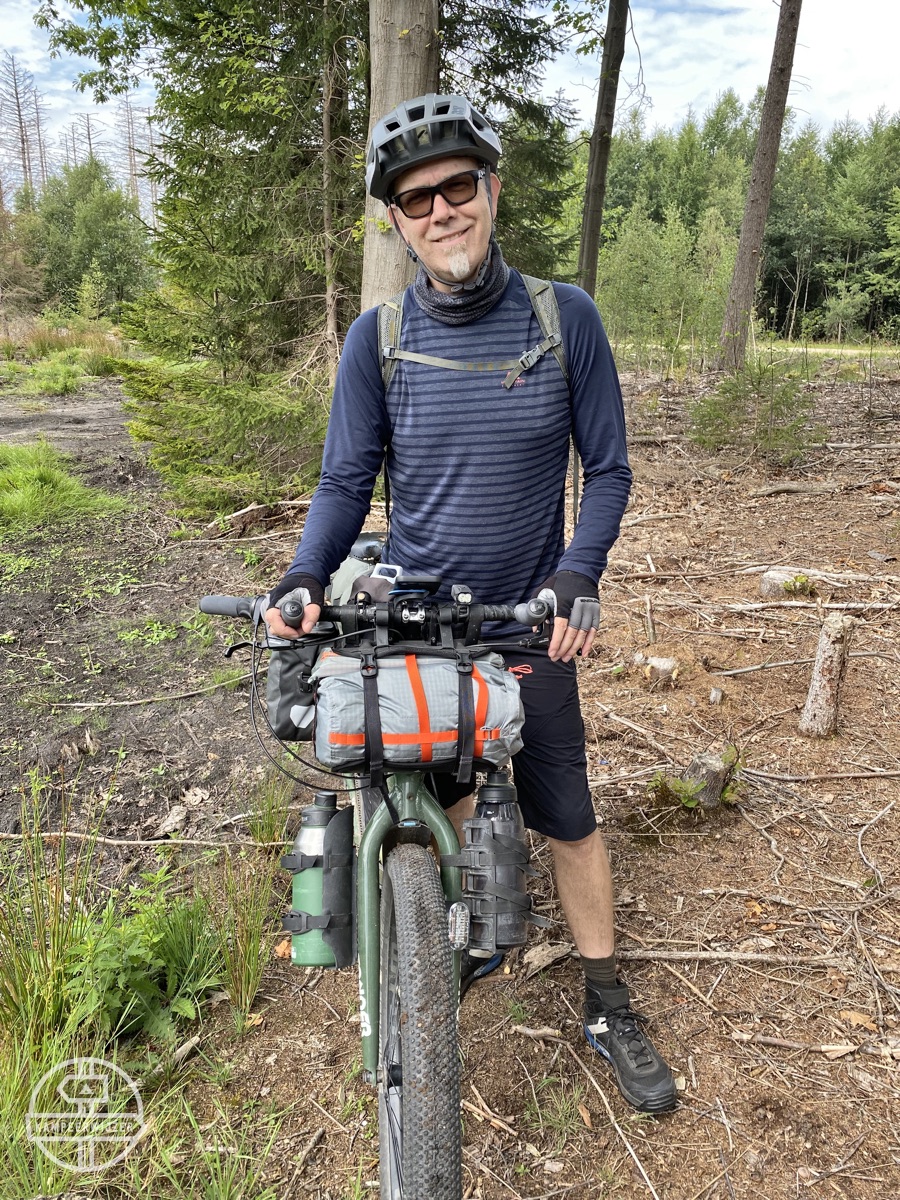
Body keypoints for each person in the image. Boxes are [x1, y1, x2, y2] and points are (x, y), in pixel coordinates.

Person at [265, 94, 677, 1115]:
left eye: (458, 185)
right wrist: (305, 574)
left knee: (569, 818)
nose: (442, 209)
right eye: (418, 199)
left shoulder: (562, 318)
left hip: (527, 623)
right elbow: (344, 481)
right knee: (440, 803)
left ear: (492, 190)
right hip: (417, 626)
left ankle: (606, 1000)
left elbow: (609, 468)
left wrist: (580, 572)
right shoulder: (378, 338)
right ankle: (439, 945)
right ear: (396, 221)